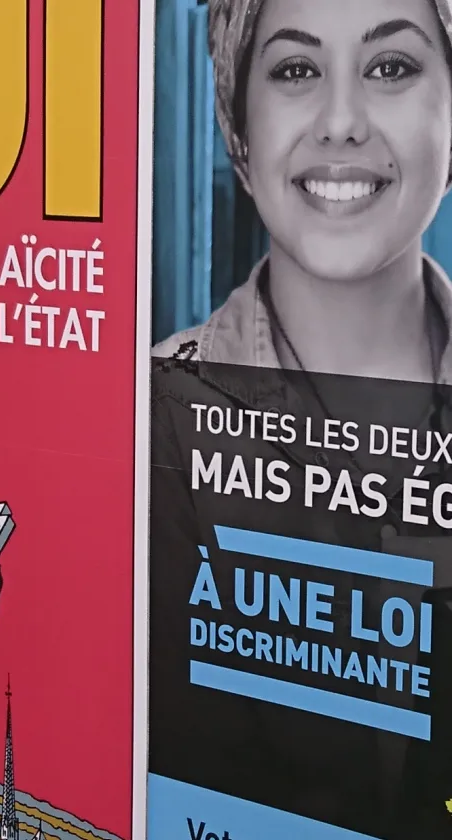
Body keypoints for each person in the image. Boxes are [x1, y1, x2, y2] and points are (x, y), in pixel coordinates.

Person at [149, 2, 452, 836]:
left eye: (390, 67)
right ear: (237, 127)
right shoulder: (142, 426)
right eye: (295, 69)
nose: (342, 121)